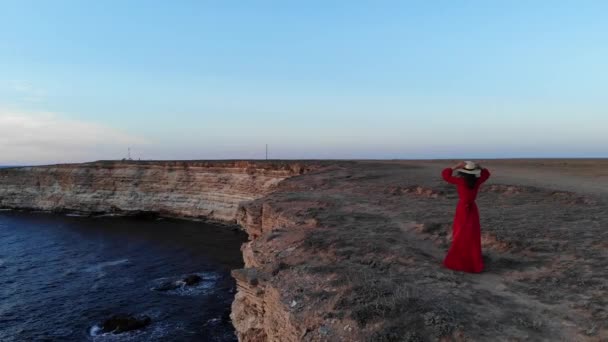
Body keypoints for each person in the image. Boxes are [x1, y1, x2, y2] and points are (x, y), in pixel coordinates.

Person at [441, 161, 491, 273]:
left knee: (460, 233)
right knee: (471, 234)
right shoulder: (477, 181)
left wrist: (456, 166)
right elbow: (486, 174)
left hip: (463, 209)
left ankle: (460, 260)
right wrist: (479, 167)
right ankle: (472, 261)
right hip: (472, 209)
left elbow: (445, 175)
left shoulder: (460, 181)